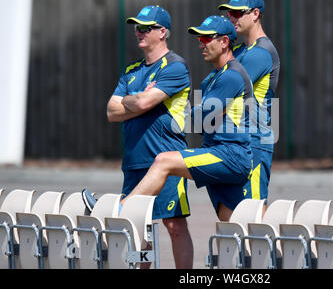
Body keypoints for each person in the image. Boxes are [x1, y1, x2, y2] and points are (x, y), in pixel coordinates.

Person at [84, 15, 253, 223]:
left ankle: (118, 210)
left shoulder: (231, 76)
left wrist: (140, 101)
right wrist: (139, 100)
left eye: (206, 39)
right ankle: (274, 253)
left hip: (229, 155)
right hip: (217, 152)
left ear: (224, 42)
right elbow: (200, 122)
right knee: (234, 221)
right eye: (199, 39)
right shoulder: (212, 78)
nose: (201, 44)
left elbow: (196, 122)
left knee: (164, 161)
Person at [83, 5, 194, 268]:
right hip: (134, 160)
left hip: (166, 161)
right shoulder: (131, 70)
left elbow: (143, 104)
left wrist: (134, 101)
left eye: (146, 28)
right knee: (137, 228)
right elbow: (111, 112)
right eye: (137, 27)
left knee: (174, 225)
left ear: (163, 32)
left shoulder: (176, 67)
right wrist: (141, 99)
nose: (139, 32)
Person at [218, 0, 280, 212]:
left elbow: (224, 91)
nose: (231, 18)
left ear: (255, 14)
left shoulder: (261, 52)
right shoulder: (240, 50)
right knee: (228, 214)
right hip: (237, 141)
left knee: (253, 218)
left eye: (237, 13)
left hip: (254, 141)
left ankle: (276, 249)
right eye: (229, 14)